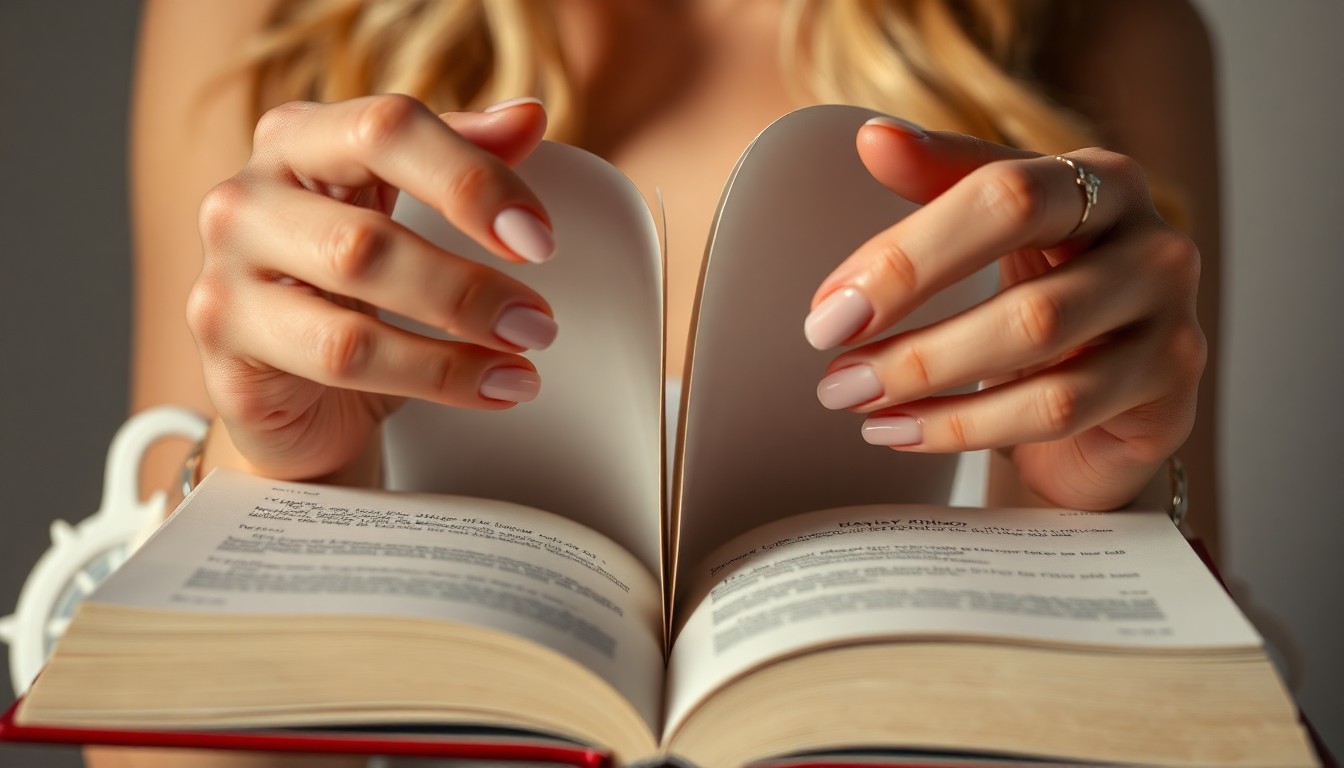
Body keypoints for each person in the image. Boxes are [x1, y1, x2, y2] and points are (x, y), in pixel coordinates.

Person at [96, 0, 1219, 765]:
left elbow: (1180, 734)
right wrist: (281, 469)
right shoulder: (263, 20)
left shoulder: (1097, 26)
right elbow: (166, 752)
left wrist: (1081, 514)